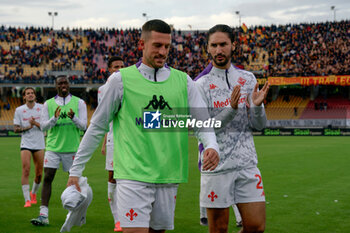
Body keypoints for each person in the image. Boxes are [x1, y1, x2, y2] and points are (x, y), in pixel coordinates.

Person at [67, 19, 220, 233]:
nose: (163, 51)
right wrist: (76, 170)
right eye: (157, 45)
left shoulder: (184, 81)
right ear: (142, 45)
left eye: (166, 46)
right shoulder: (120, 81)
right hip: (132, 175)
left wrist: (212, 145)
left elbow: (202, 121)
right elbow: (97, 127)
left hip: (168, 175)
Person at [195, 24, 269, 233]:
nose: (219, 50)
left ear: (233, 45)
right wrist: (230, 109)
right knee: (218, 230)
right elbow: (202, 128)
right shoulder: (200, 85)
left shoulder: (248, 79)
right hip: (217, 167)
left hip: (247, 164)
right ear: (207, 49)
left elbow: (259, 125)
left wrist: (256, 106)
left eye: (223, 44)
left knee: (256, 227)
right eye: (214, 45)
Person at [31, 76, 87, 226]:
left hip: (73, 149)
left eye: (65, 82)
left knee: (76, 181)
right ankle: (43, 215)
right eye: (60, 83)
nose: (63, 85)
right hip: (53, 148)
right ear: (56, 86)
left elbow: (83, 126)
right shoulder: (48, 104)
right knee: (48, 177)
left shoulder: (79, 103)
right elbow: (43, 127)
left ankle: (79, 214)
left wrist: (74, 118)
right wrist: (54, 119)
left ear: (69, 85)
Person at [98, 56, 125, 232]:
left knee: (130, 179)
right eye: (116, 66)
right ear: (109, 69)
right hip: (114, 139)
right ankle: (117, 219)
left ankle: (129, 215)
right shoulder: (103, 89)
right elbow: (104, 117)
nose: (119, 69)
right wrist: (104, 140)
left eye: (122, 66)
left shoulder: (131, 85)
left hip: (131, 139)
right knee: (113, 178)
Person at [13, 87, 45, 207]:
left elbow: (46, 126)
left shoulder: (42, 108)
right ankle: (27, 200)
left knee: (39, 174)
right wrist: (27, 127)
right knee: (26, 169)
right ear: (24, 97)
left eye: (32, 93)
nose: (30, 95)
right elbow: (16, 129)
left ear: (35, 96)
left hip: (39, 143)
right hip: (26, 143)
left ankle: (33, 193)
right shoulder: (19, 110)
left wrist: (35, 123)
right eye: (28, 93)